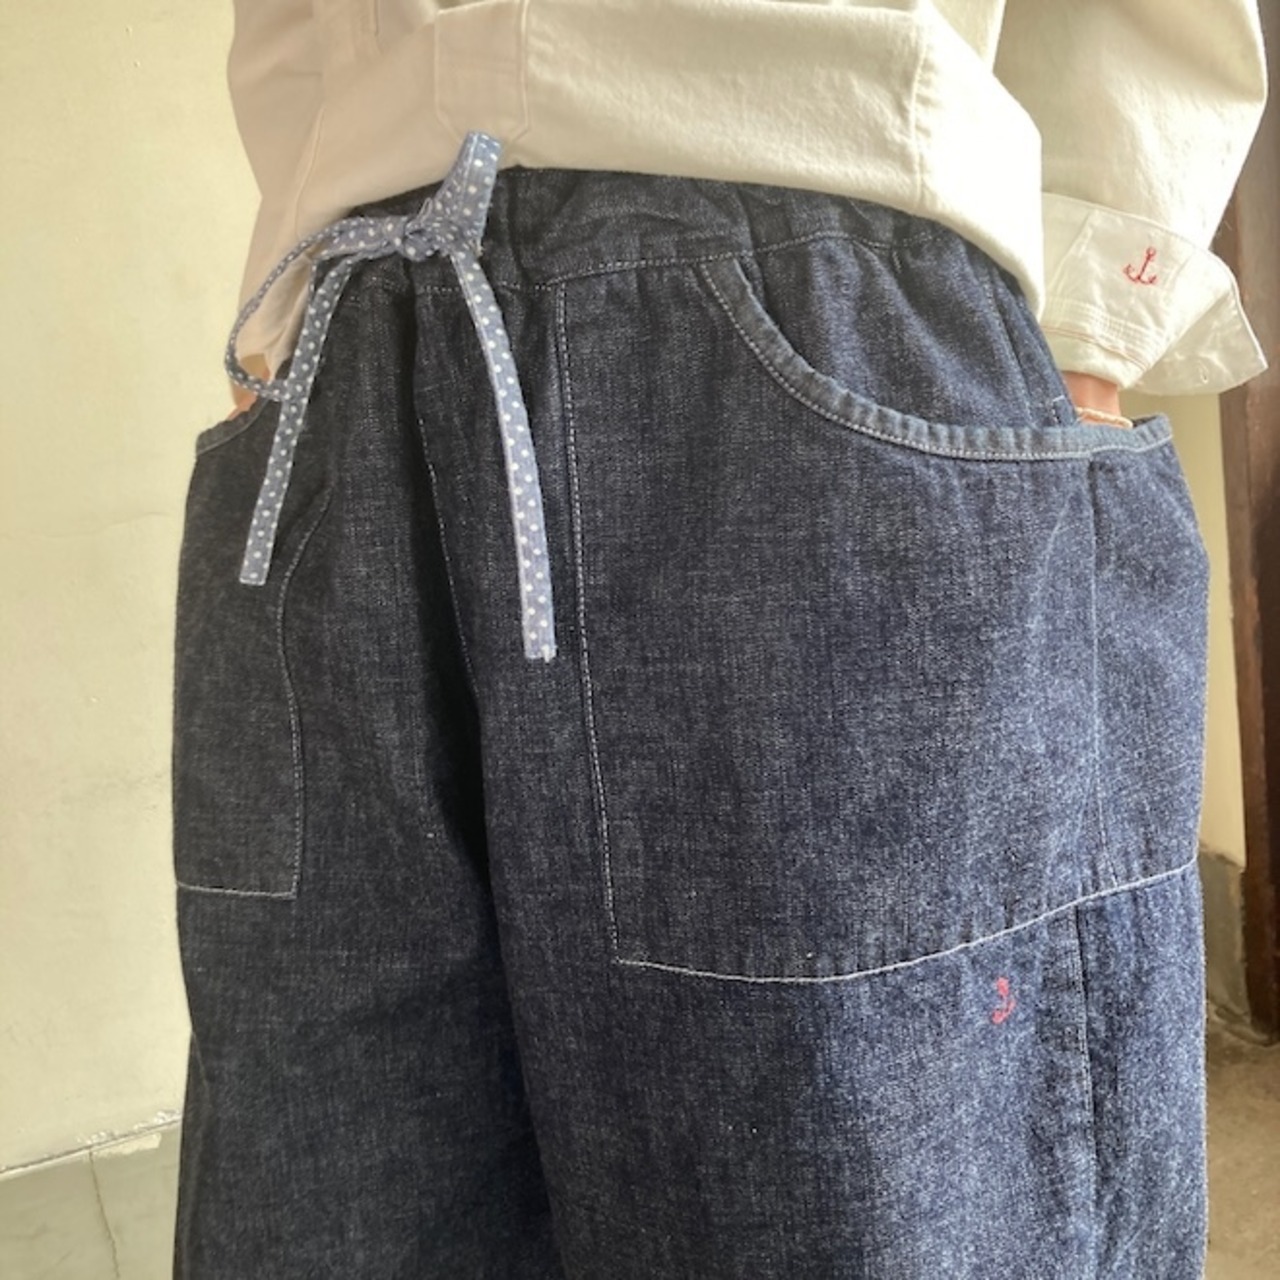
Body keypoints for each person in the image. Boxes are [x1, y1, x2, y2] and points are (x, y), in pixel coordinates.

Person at [171, 2, 1268, 1276]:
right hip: (351, 348)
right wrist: (286, 319)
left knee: (852, 1203)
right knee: (338, 1194)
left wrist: (1080, 338)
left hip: (813, 293)